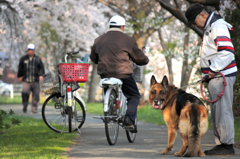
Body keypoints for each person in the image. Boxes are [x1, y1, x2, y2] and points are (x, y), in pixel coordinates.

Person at [185, 3, 237, 156]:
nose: (195, 25)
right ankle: (221, 143)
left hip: (222, 75)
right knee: (217, 112)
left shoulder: (217, 26)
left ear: (202, 15)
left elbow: (227, 53)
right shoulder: (210, 27)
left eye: (194, 21)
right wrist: (206, 74)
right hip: (217, 76)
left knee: (223, 111)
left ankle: (227, 145)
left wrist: (212, 70)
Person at [90, 15, 149, 133]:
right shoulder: (128, 40)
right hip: (123, 74)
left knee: (108, 88)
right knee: (134, 95)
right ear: (122, 27)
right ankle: (129, 119)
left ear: (109, 26)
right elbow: (140, 59)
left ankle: (110, 108)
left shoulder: (99, 39)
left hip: (105, 74)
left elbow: (94, 58)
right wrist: (145, 59)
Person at [17, 43, 45, 113]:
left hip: (35, 80)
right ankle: (25, 105)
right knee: (25, 92)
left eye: (32, 50)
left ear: (34, 50)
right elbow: (20, 68)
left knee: (36, 94)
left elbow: (41, 68)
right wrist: (20, 76)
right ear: (27, 50)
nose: (30, 51)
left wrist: (41, 75)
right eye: (29, 50)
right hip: (26, 80)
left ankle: (34, 108)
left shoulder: (38, 59)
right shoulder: (23, 59)